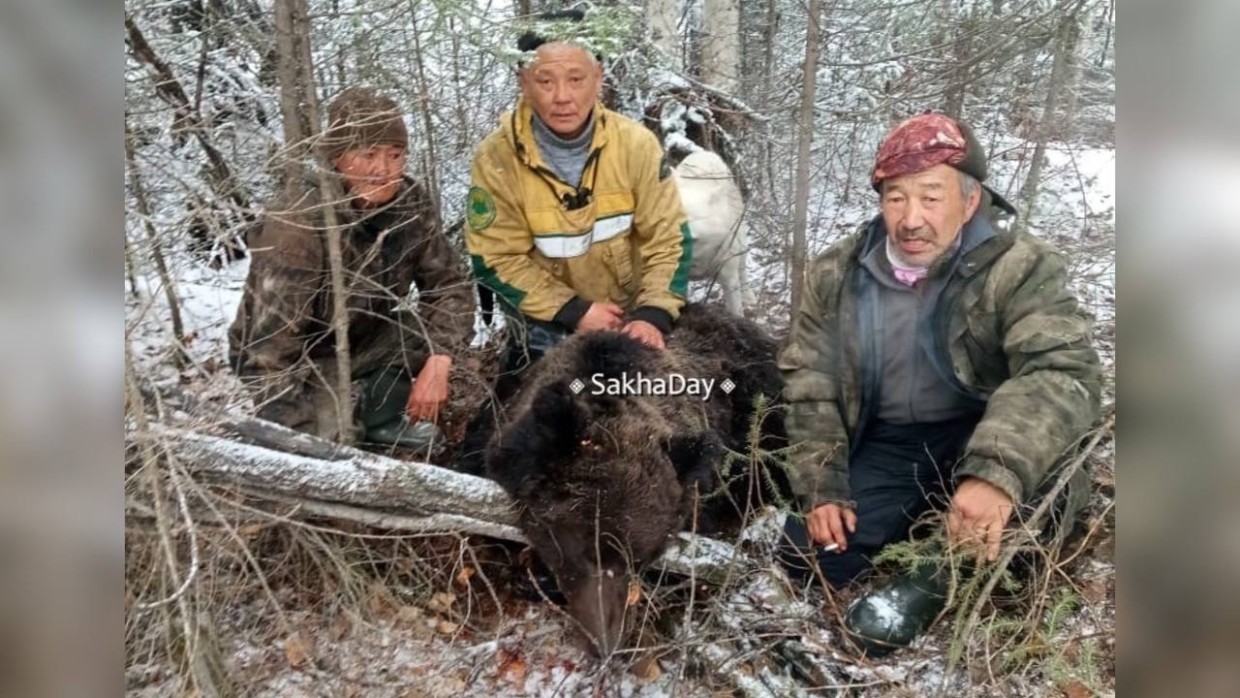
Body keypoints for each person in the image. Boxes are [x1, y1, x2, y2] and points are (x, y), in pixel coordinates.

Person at [777, 112, 1102, 654]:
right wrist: (822, 484)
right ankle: (921, 522)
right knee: (804, 553)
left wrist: (995, 474)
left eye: (931, 197)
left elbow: (1062, 371)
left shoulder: (1020, 268)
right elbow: (811, 375)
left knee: (1041, 490)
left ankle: (928, 578)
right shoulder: (838, 273)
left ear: (970, 201)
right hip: (895, 443)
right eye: (896, 197)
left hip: (988, 430)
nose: (911, 219)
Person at [229, 87, 474, 448]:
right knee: (331, 453)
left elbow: (449, 284)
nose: (383, 170)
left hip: (362, 333)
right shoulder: (299, 223)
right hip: (299, 356)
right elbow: (267, 353)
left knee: (420, 329)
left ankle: (383, 419)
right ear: (338, 158)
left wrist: (439, 361)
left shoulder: (409, 203)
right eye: (367, 154)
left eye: (395, 155)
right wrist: (295, 434)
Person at [464, 9, 691, 392]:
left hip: (630, 318)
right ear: (524, 82)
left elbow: (668, 239)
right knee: (522, 427)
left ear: (598, 78)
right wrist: (575, 311)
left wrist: (652, 315)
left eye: (576, 79)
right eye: (545, 80)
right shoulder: (496, 159)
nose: (562, 97)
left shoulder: (635, 145)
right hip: (544, 324)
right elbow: (494, 258)